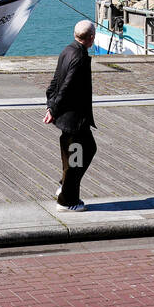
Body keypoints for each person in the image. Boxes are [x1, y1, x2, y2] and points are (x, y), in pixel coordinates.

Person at [44, 20, 97, 211]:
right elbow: (66, 86)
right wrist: (54, 109)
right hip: (74, 121)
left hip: (69, 118)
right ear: (91, 38)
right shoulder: (80, 57)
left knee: (85, 151)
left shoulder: (67, 50)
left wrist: (50, 107)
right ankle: (67, 201)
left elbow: (55, 82)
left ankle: (64, 187)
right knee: (76, 161)